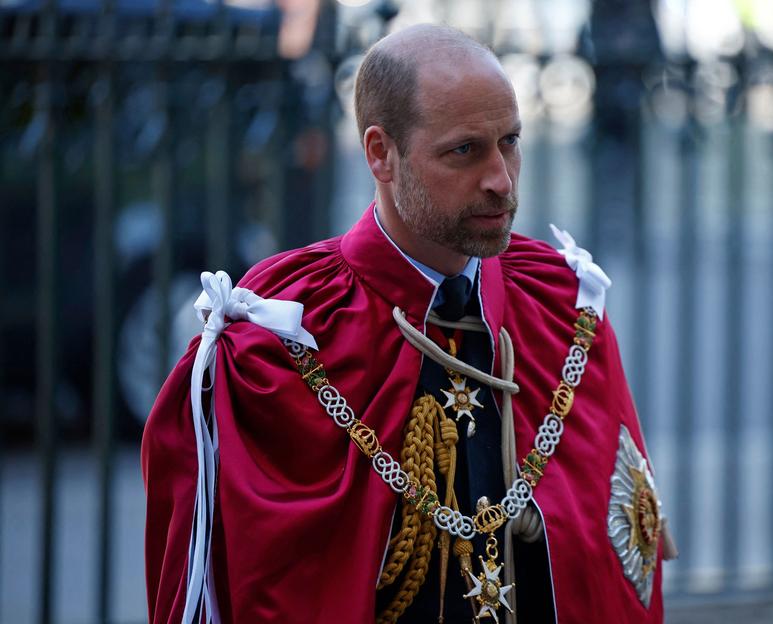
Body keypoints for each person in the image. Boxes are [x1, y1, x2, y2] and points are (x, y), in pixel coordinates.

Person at [142, 23, 672, 624]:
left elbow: (616, 566)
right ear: (380, 154)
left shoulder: (562, 306)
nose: (501, 179)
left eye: (510, 141)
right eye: (464, 151)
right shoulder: (278, 344)